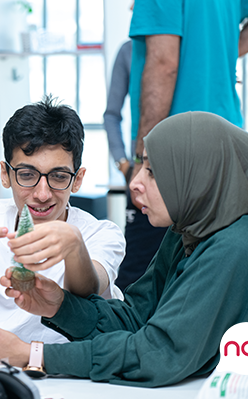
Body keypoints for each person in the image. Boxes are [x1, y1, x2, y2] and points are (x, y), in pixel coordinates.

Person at [0, 111, 248, 387]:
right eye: (140, 166)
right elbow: (137, 317)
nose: (135, 183)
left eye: (153, 172)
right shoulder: (191, 229)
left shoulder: (239, 245)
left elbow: (158, 353)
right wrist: (60, 306)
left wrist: (31, 354)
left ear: (197, 176)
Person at [0, 96, 125, 349]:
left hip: (57, 366)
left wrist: (74, 245)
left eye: (58, 176)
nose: (42, 194)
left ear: (77, 179)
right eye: (27, 175)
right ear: (5, 174)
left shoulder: (100, 233)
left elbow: (89, 294)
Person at [129, 0, 248, 170]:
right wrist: (223, 55)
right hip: (227, 138)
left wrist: (143, 159)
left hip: (175, 147)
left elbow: (163, 66)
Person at [104, 39, 167, 292]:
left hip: (185, 175)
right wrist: (125, 164)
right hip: (144, 171)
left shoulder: (197, 46)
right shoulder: (129, 51)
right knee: (135, 271)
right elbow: (111, 114)